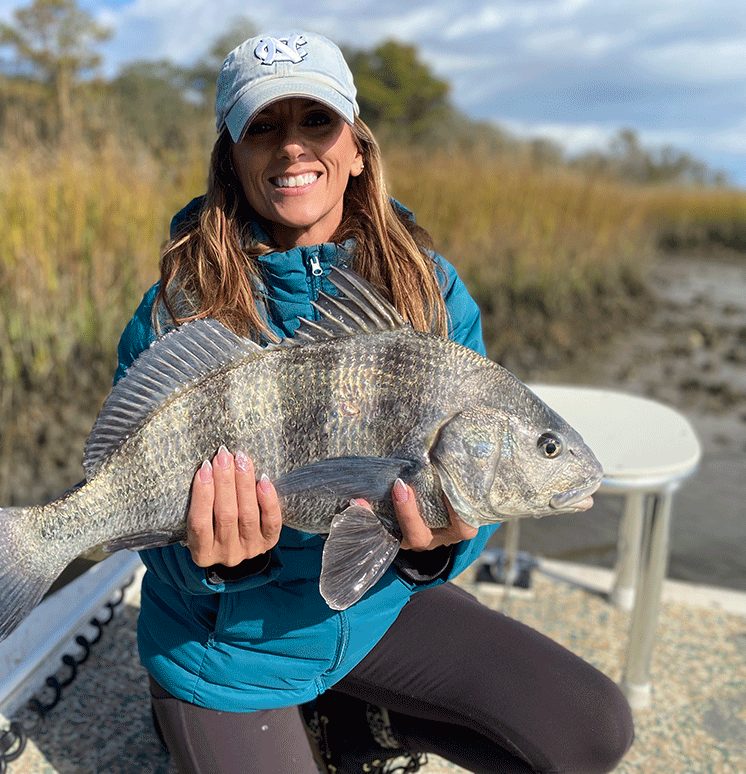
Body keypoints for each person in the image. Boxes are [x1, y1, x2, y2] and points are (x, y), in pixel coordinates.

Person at [114, 31, 634, 774]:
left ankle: (345, 726)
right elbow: (133, 505)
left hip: (371, 612)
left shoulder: (432, 289)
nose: (293, 148)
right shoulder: (175, 312)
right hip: (228, 643)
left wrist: (437, 553)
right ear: (232, 157)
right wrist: (220, 566)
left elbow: (463, 513)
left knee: (591, 729)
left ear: (357, 146)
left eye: (316, 121)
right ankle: (197, 722)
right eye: (263, 127)